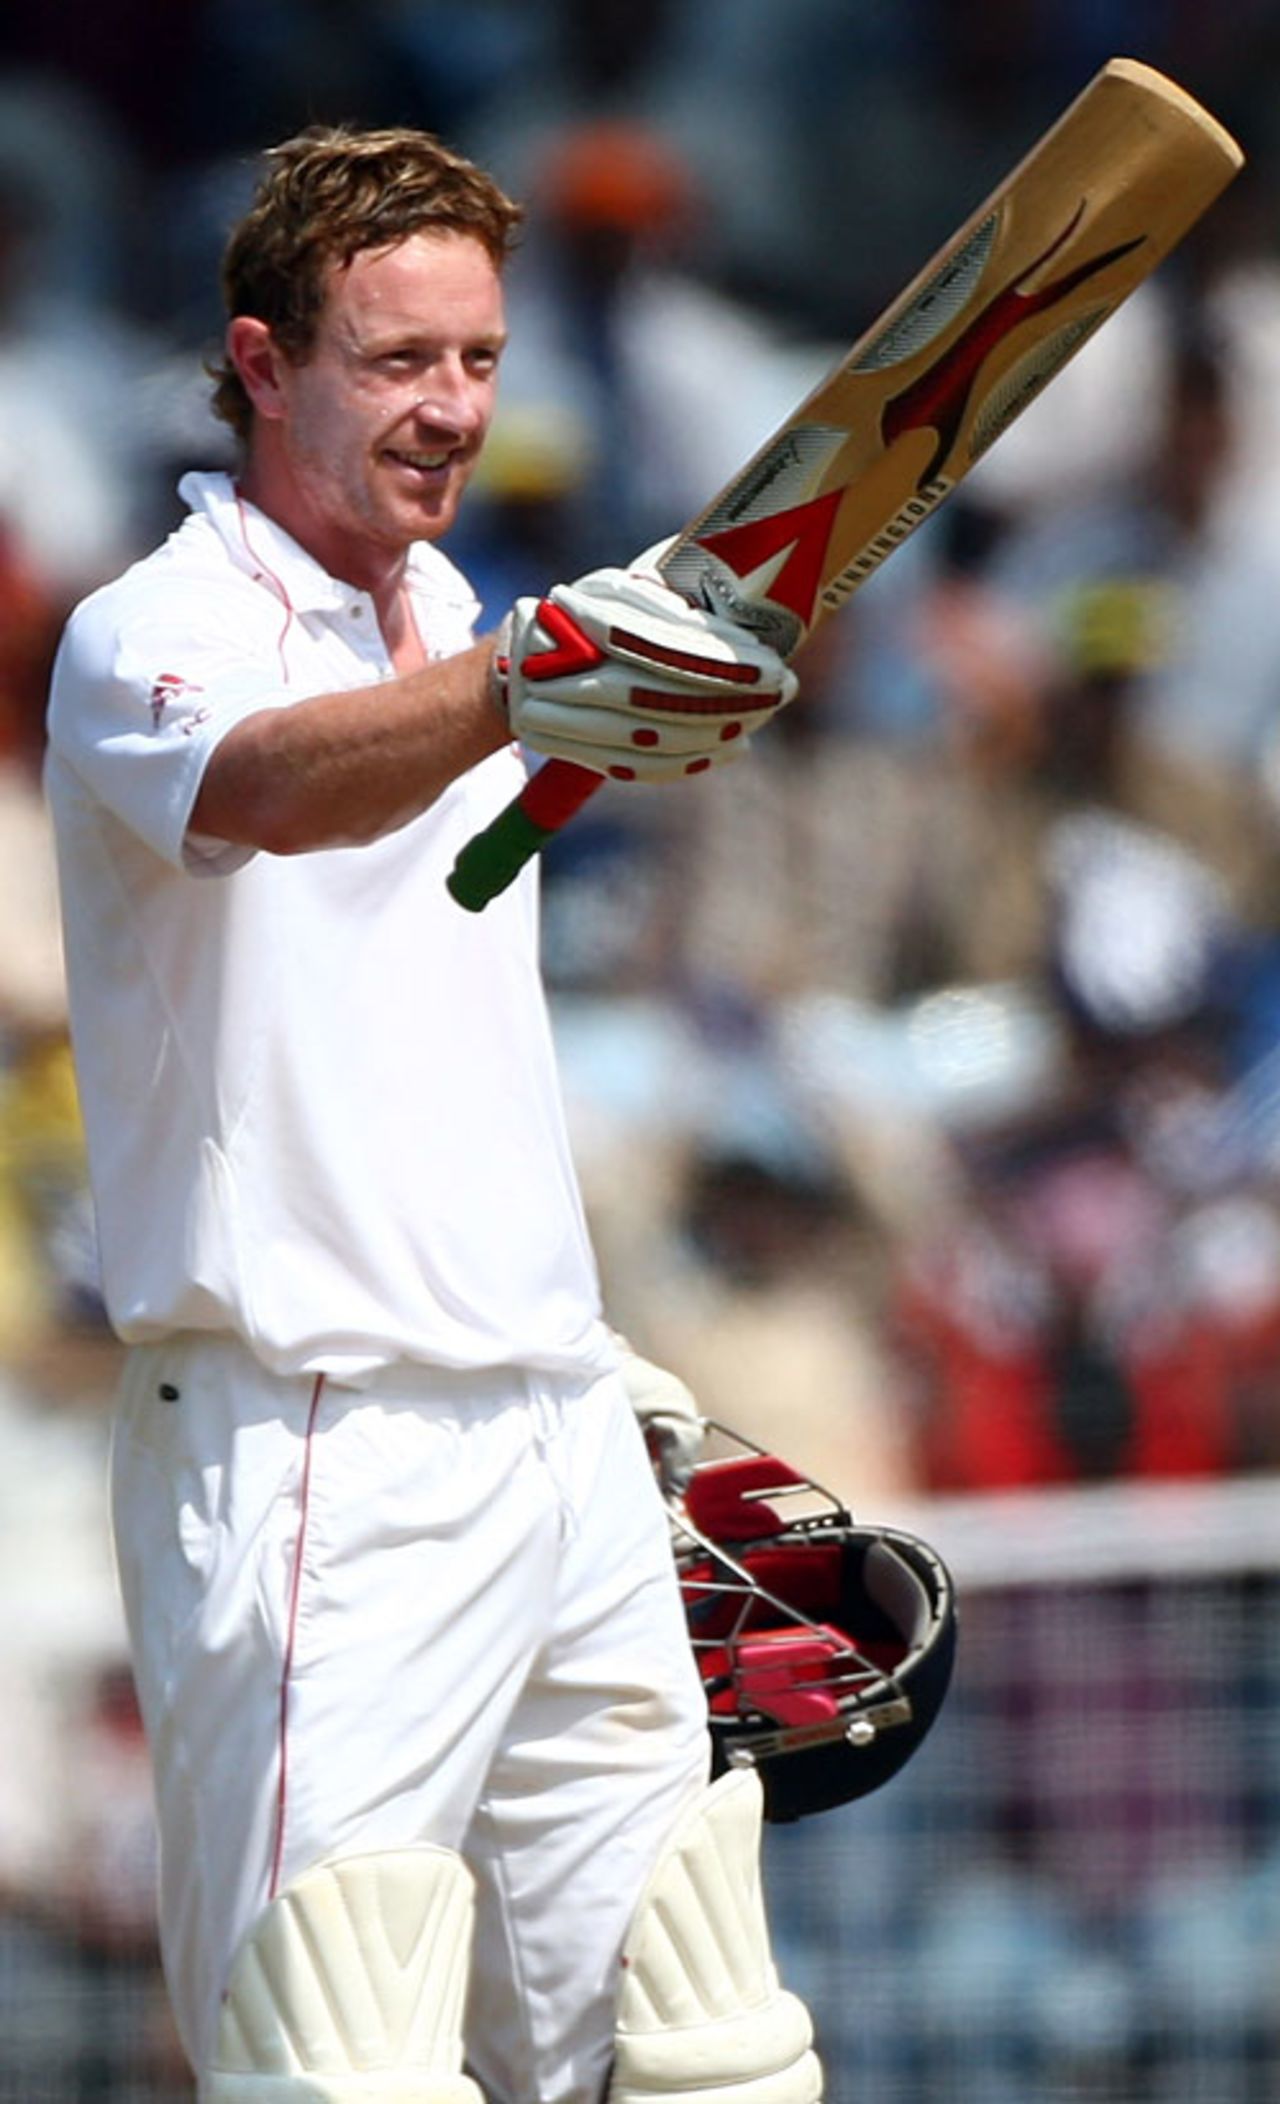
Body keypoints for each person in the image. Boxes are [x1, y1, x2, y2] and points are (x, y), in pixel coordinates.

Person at [44, 127, 819, 2104]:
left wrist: (567, 1343)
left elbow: (426, 1013)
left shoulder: (462, 619)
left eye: (476, 358)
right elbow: (278, 787)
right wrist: (515, 682)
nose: (451, 408)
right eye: (398, 361)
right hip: (316, 1435)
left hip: (541, 1414)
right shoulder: (154, 627)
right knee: (340, 2061)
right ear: (264, 359)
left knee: (697, 2050)